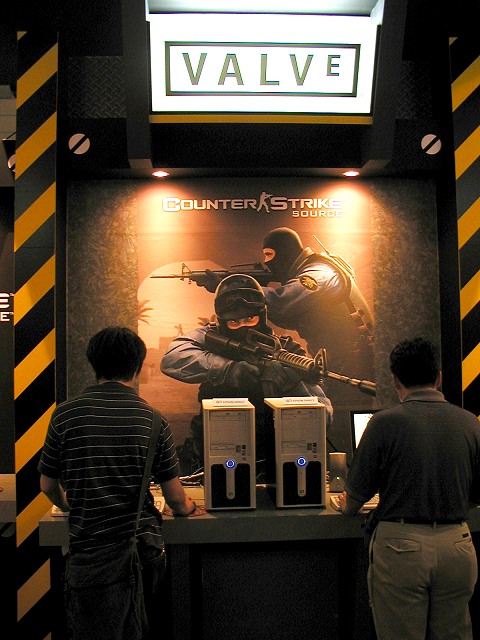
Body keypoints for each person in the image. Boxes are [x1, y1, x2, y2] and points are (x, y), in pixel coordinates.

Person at [38, 326, 205, 640]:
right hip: (139, 555)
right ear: (137, 366)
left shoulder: (65, 415)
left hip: (87, 557)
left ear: (94, 363)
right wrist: (189, 507)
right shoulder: (153, 419)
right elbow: (175, 499)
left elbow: (47, 484)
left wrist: (70, 504)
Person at [338, 337, 480, 640]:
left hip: (400, 549)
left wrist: (343, 502)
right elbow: (476, 495)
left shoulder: (383, 423)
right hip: (458, 546)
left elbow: (353, 502)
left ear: (395, 380)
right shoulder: (471, 424)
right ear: (438, 377)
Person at [161, 274, 333, 480]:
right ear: (222, 322)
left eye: (250, 319)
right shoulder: (212, 337)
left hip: (271, 463)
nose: (243, 327)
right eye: (234, 322)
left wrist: (291, 387)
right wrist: (228, 369)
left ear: (262, 315)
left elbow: (324, 416)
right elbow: (172, 357)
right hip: (214, 457)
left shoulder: (286, 350)